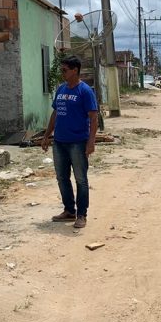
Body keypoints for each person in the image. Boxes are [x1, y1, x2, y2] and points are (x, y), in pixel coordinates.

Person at [42, 55, 98, 229]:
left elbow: (94, 117)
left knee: (80, 179)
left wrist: (91, 142)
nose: (62, 73)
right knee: (61, 177)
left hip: (78, 142)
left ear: (75, 70)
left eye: (65, 70)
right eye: (62, 70)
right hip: (60, 141)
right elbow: (55, 113)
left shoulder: (85, 91)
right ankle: (69, 210)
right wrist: (46, 135)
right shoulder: (61, 89)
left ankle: (81, 214)